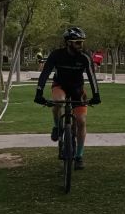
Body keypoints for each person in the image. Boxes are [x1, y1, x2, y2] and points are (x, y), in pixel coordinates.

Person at [34, 27, 101, 170]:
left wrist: (96, 95)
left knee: (81, 122)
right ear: (68, 43)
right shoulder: (56, 55)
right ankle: (57, 127)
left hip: (77, 89)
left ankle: (79, 156)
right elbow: (45, 73)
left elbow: (91, 77)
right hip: (60, 85)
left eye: (82, 42)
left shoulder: (85, 57)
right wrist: (38, 93)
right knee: (58, 102)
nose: (80, 45)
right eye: (77, 42)